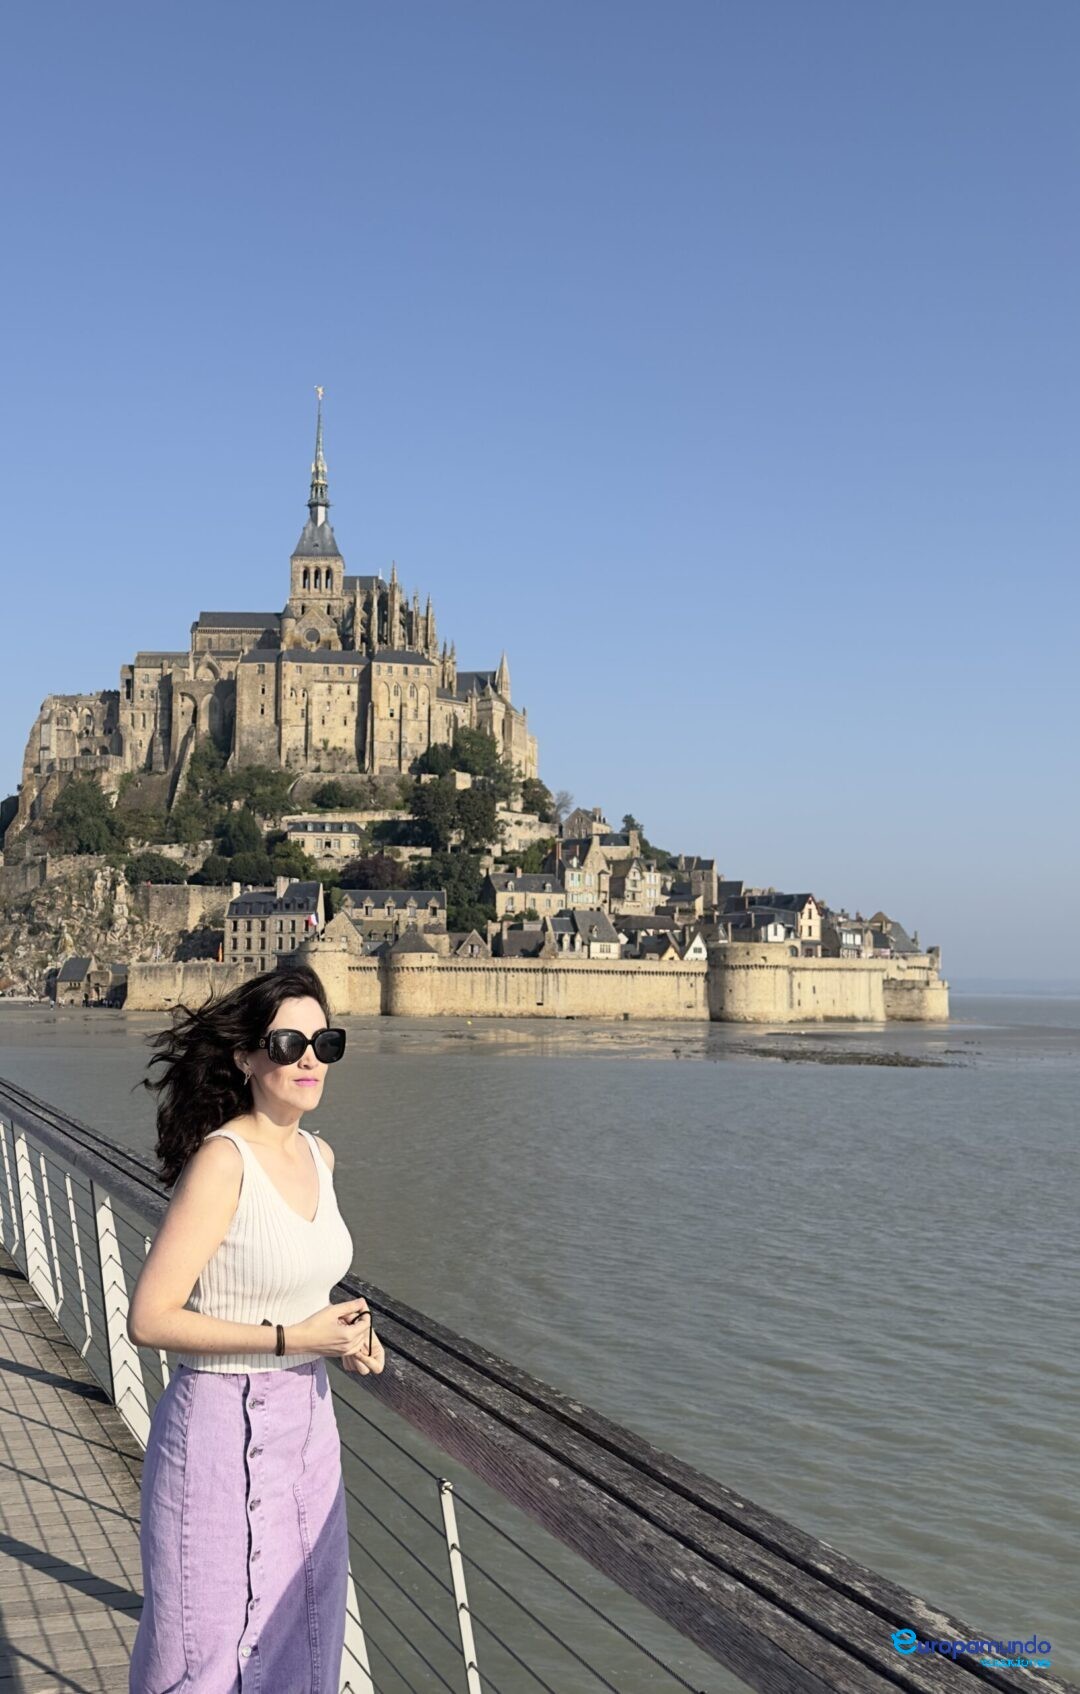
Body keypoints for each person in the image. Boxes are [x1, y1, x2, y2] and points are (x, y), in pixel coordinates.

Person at [126, 962, 384, 1693]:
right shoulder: (222, 1162)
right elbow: (150, 1318)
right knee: (200, 1656)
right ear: (245, 1057)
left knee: (301, 1640)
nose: (309, 1059)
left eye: (324, 1043)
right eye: (288, 1042)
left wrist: (355, 1331)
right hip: (217, 1430)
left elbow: (303, 1274)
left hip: (306, 1432)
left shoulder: (319, 1155)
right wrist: (295, 1338)